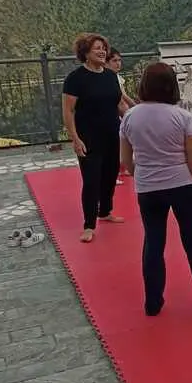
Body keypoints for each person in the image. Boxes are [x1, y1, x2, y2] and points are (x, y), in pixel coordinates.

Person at [119, 62, 192, 317]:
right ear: (171, 86)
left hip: (148, 189)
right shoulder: (182, 117)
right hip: (182, 186)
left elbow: (125, 160)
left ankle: (153, 303)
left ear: (144, 85)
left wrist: (143, 176)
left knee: (153, 243)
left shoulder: (130, 117)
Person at [62, 33, 126, 243]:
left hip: (112, 134)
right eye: (97, 48)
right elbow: (68, 111)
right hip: (88, 138)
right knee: (91, 181)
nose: (102, 52)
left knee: (110, 175)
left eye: (103, 48)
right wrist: (75, 138)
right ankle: (89, 225)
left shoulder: (110, 76)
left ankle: (105, 211)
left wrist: (134, 122)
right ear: (86, 53)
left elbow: (118, 105)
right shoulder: (75, 79)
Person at [106, 47, 136, 184]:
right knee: (114, 146)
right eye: (114, 61)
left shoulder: (117, 77)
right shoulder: (107, 77)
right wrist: (133, 108)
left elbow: (124, 96)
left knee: (123, 143)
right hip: (113, 114)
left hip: (122, 113)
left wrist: (133, 107)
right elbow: (121, 96)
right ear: (106, 62)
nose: (118, 63)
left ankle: (122, 169)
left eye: (119, 60)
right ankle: (112, 175)